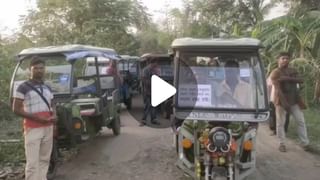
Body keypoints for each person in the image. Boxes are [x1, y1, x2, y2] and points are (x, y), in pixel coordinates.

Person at [12, 56, 56, 180]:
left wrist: (54, 115)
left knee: (44, 159)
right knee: (32, 163)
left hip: (48, 127)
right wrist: (38, 119)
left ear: (44, 69)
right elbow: (16, 109)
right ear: (29, 70)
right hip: (33, 128)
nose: (39, 70)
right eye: (35, 68)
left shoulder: (47, 86)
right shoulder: (22, 87)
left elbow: (52, 103)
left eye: (41, 68)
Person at [269, 51, 309, 152]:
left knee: (300, 121)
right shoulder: (275, 72)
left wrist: (286, 78)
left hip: (294, 100)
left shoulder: (293, 70)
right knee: (280, 123)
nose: (285, 60)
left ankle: (304, 143)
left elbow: (301, 80)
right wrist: (284, 103)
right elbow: (278, 89)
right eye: (283, 58)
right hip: (281, 102)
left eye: (287, 58)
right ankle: (281, 143)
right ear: (278, 60)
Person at [140, 58, 160, 126]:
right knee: (147, 106)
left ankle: (153, 119)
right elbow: (144, 80)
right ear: (153, 63)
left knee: (153, 106)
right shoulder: (146, 70)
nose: (157, 64)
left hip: (153, 91)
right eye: (156, 63)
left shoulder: (155, 70)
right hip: (147, 91)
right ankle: (143, 120)